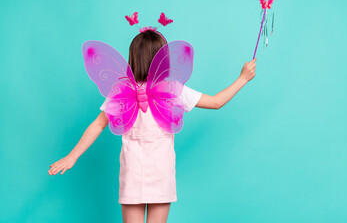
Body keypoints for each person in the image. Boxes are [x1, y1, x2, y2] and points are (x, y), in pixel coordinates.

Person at [48, 30, 256, 223]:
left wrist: (72, 156)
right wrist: (243, 78)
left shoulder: (122, 90)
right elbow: (216, 102)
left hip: (133, 170)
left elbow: (97, 125)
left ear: (133, 58)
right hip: (160, 171)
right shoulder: (173, 88)